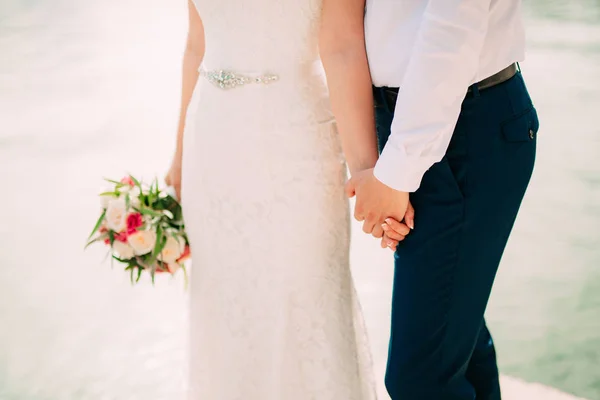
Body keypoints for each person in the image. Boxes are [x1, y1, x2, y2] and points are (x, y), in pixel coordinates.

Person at [164, 0, 410, 398]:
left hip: (299, 144)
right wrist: (179, 155)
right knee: (224, 300)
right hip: (211, 145)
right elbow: (196, 42)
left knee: (304, 296)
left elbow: (343, 46)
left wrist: (367, 172)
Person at [344, 0, 539, 399]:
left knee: (421, 379)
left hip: (467, 122)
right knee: (456, 342)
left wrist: (396, 172)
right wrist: (373, 166)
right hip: (408, 126)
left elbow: (453, 26)